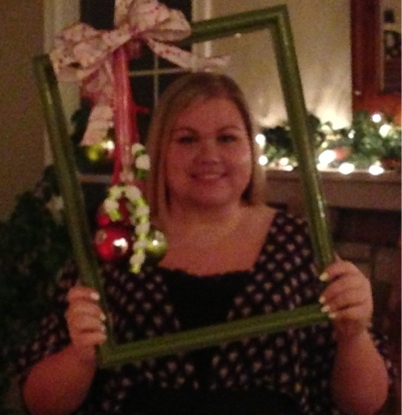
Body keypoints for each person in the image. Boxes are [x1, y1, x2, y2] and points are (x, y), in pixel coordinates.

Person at [17, 72, 395, 415]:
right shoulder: (117, 245)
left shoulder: (299, 245)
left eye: (227, 138)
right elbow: (40, 402)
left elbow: (365, 403)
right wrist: (80, 356)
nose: (209, 156)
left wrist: (354, 334)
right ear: (160, 152)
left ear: (251, 149)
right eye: (187, 139)